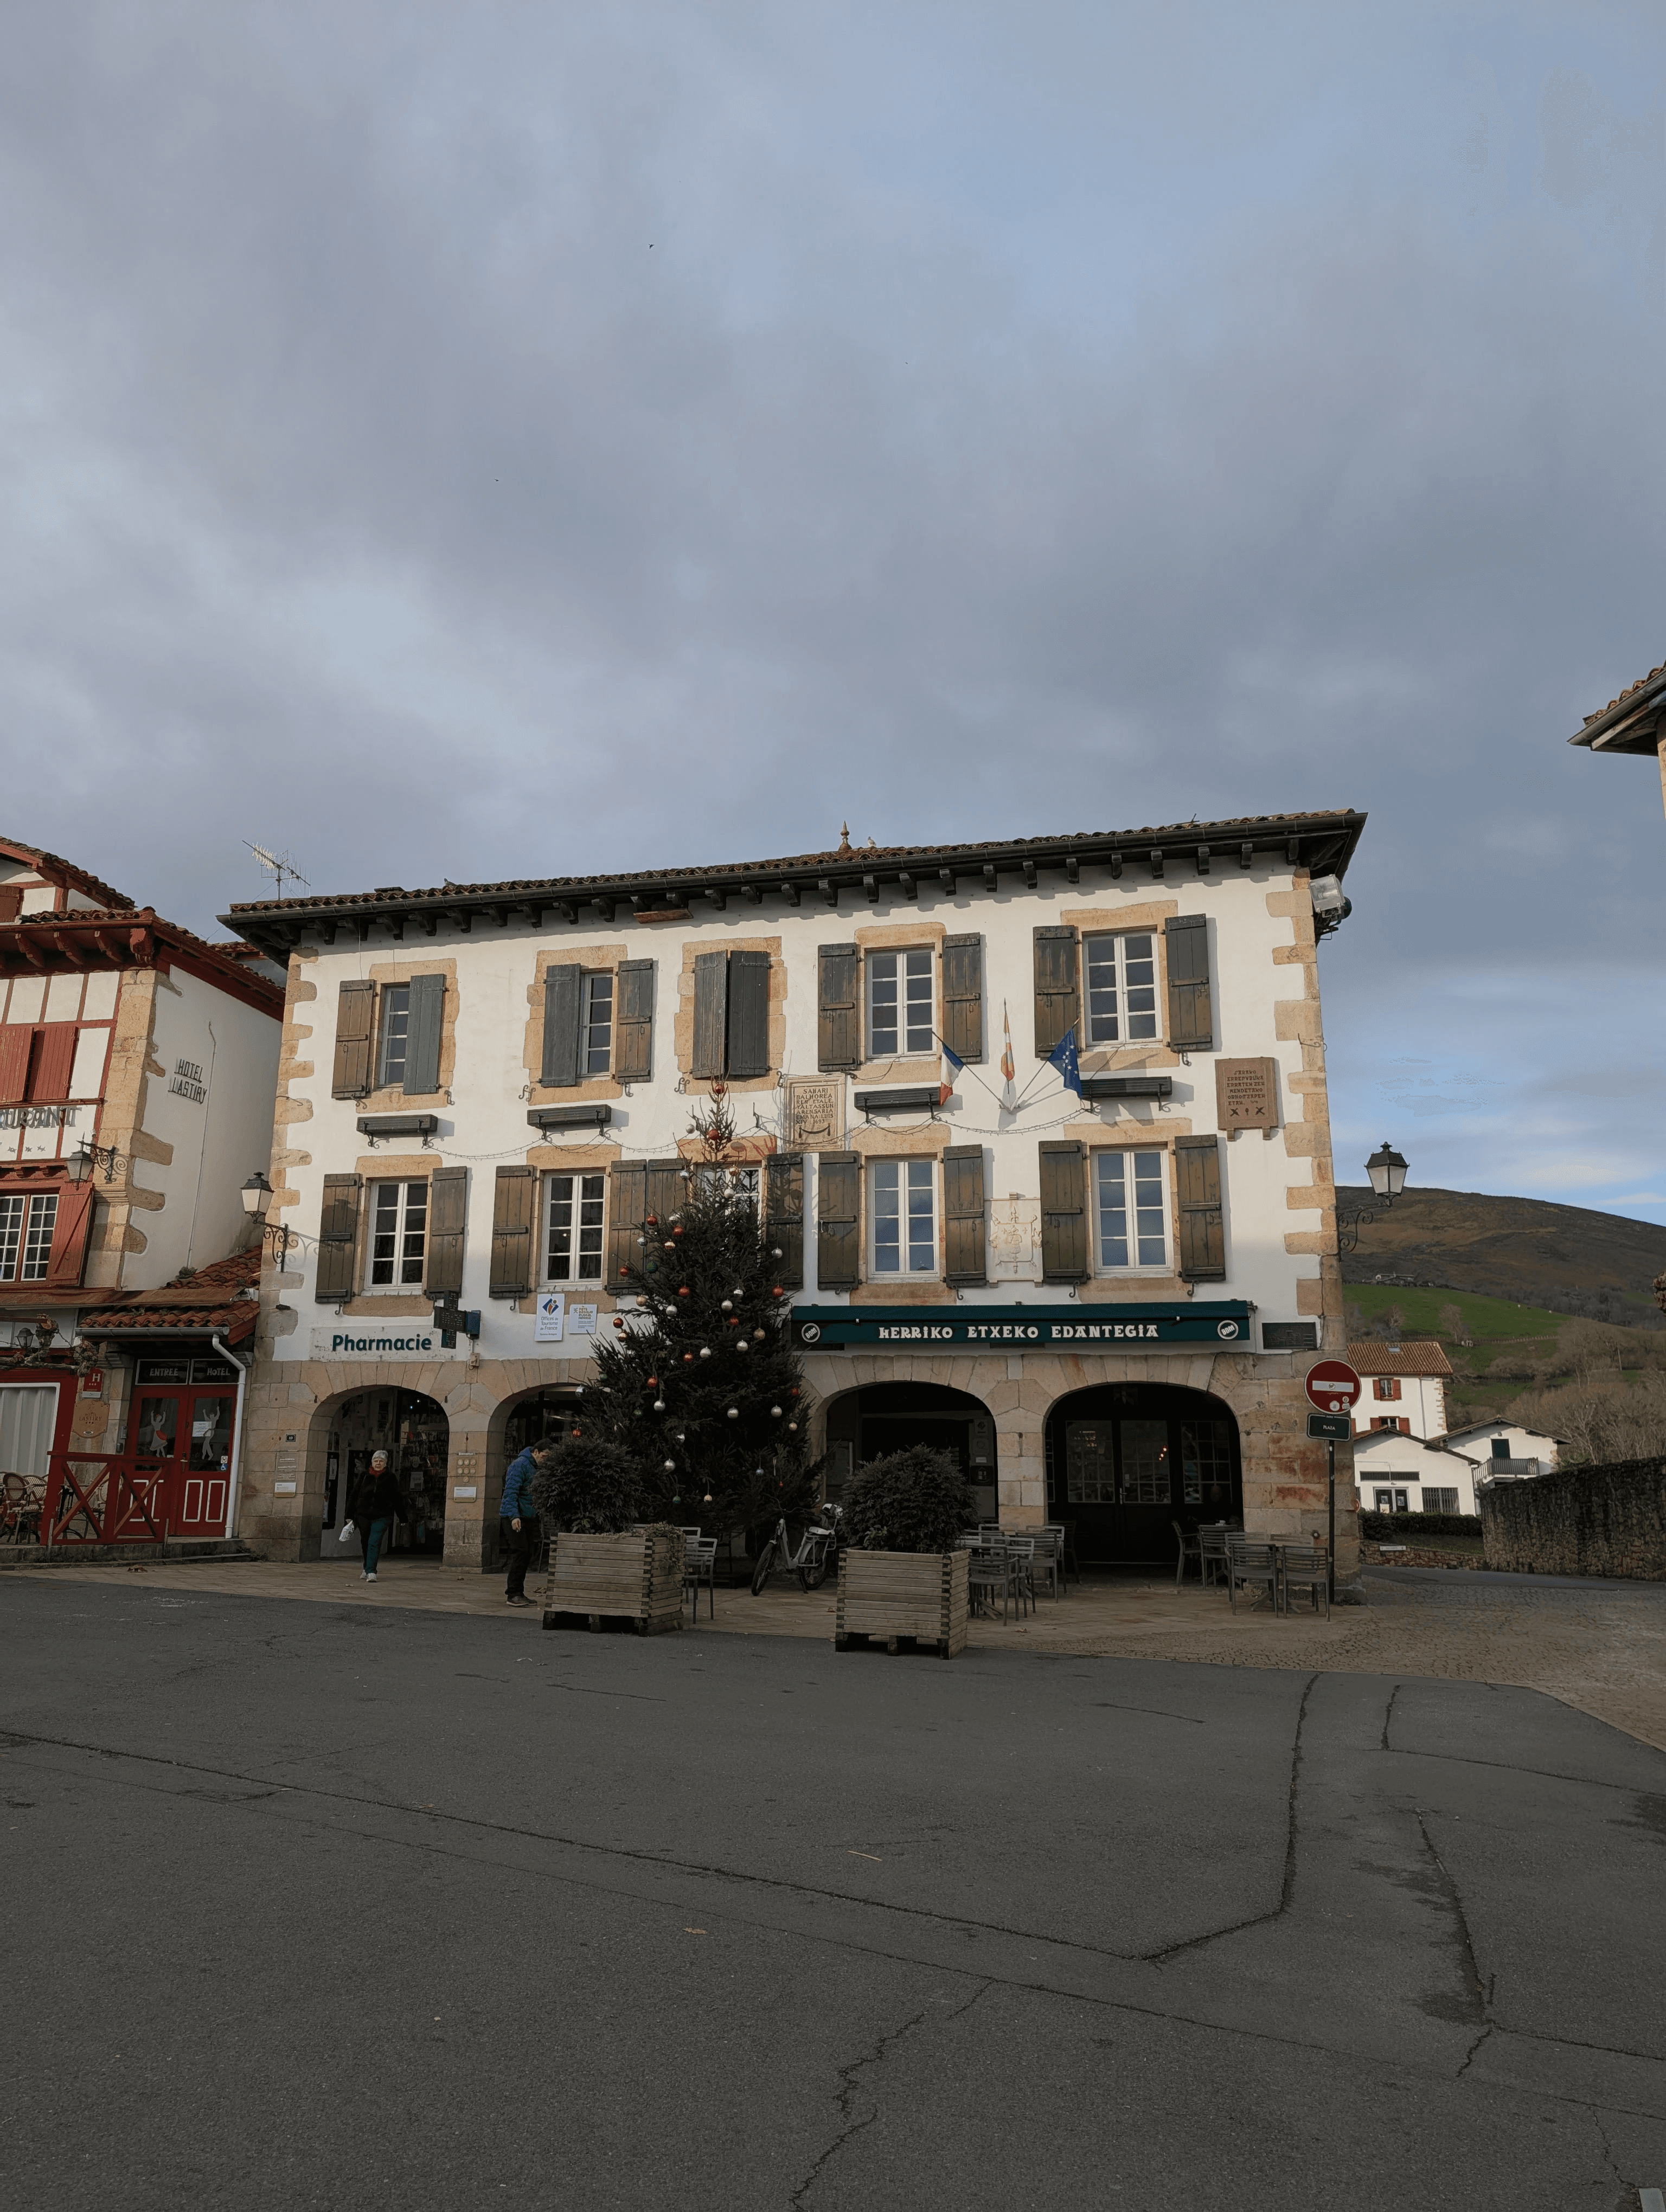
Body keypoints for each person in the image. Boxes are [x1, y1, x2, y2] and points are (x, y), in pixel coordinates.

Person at [346, 1450, 411, 1583]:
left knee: (374, 1541)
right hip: (363, 1515)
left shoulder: (390, 1477)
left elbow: (397, 1498)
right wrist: (349, 1515)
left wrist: (403, 1517)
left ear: (385, 1464)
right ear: (372, 1463)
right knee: (365, 1541)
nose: (378, 1463)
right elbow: (354, 1495)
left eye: (381, 1461)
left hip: (382, 1516)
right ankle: (366, 1567)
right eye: (376, 1461)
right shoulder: (365, 1476)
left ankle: (371, 1572)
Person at [500, 1439, 551, 1609]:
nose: (545, 1460)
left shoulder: (537, 1467)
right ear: (536, 1452)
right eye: (544, 1456)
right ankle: (513, 1594)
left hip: (528, 1517)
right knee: (521, 1552)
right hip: (514, 1516)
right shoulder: (519, 1465)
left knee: (529, 1553)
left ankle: (519, 1593)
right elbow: (510, 1493)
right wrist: (515, 1516)